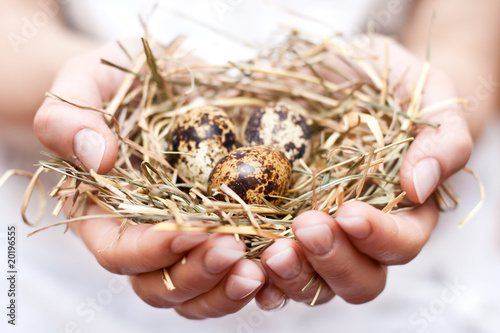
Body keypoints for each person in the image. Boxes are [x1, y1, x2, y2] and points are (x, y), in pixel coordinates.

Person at [1, 0, 500, 331]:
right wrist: (83, 87)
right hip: (77, 287)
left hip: (411, 292)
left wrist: (435, 97)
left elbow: (465, 29)